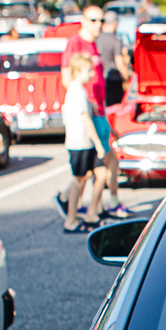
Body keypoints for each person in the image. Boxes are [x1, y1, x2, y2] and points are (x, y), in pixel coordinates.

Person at [63, 5, 120, 213]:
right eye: (94, 20)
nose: (99, 25)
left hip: (99, 111)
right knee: (93, 168)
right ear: (83, 21)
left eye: (101, 20)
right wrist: (86, 105)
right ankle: (80, 206)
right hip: (89, 113)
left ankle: (92, 207)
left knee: (100, 166)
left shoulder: (95, 44)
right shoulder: (75, 43)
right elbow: (67, 78)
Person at [59, 54, 108, 231]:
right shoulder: (76, 91)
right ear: (78, 71)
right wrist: (98, 143)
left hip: (83, 142)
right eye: (88, 70)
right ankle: (70, 220)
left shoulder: (79, 90)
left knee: (96, 174)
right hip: (79, 142)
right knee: (78, 180)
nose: (92, 74)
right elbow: (85, 119)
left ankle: (88, 214)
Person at [97, 9, 132, 104]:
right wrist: (127, 79)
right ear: (115, 23)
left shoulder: (97, 39)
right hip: (114, 82)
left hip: (100, 79)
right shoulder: (116, 41)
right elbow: (120, 65)